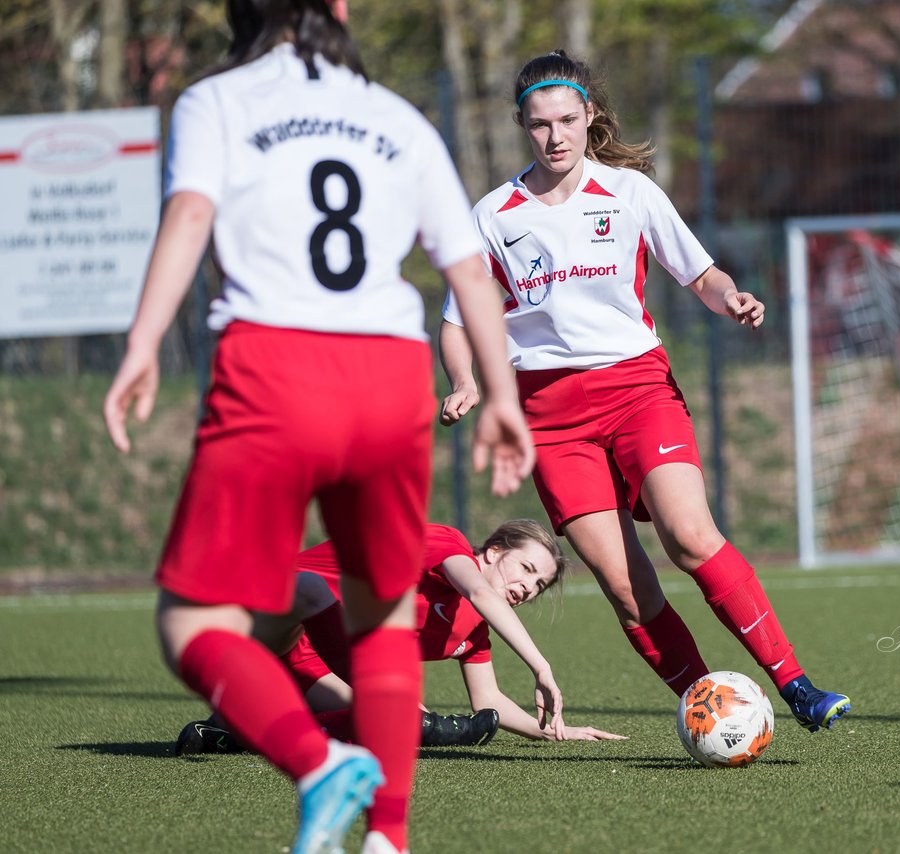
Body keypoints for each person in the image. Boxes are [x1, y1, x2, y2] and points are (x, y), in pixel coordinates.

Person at [101, 3, 533, 853]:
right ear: (339, 10)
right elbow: (467, 270)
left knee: (193, 626)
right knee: (381, 623)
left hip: (272, 371)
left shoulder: (215, 99)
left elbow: (190, 219)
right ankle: (389, 840)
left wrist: (144, 341)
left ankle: (316, 762)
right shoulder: (396, 115)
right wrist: (504, 398)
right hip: (388, 375)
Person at [437, 50, 850, 732]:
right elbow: (456, 323)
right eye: (539, 125)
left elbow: (701, 274)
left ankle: (795, 684)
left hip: (637, 389)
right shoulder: (494, 215)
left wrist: (733, 299)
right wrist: (463, 380)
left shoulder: (629, 193)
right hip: (550, 418)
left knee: (690, 538)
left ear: (589, 115)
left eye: (568, 119)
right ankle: (710, 711)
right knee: (629, 591)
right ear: (521, 125)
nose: (556, 136)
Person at [176, 520, 624, 753]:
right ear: (493, 552)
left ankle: (235, 732)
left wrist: (550, 731)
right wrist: (541, 666)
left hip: (305, 660)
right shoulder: (447, 545)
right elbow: (480, 589)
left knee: (406, 725)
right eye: (527, 569)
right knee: (311, 590)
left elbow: (489, 703)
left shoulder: (473, 628)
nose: (529, 587)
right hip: (257, 620)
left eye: (539, 585)